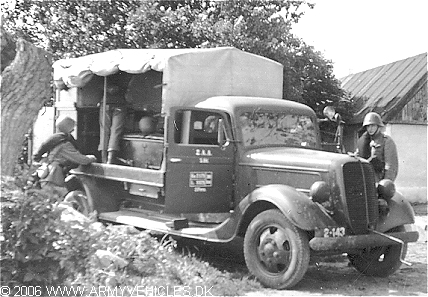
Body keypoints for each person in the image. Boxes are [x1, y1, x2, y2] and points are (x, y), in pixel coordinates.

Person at [33, 115, 97, 195]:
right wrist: (92, 158)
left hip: (48, 177)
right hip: (54, 178)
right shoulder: (65, 144)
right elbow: (81, 160)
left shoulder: (56, 140)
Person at [356, 112, 398, 182]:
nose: (370, 129)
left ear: (378, 126)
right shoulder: (362, 141)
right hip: (364, 180)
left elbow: (390, 167)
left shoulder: (386, 141)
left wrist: (385, 185)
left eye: (373, 126)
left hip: (379, 180)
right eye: (368, 126)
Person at [98, 81, 127, 164]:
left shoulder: (104, 73)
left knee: (104, 130)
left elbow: (99, 84)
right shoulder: (124, 73)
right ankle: (110, 159)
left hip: (105, 103)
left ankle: (103, 159)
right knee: (116, 131)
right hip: (120, 103)